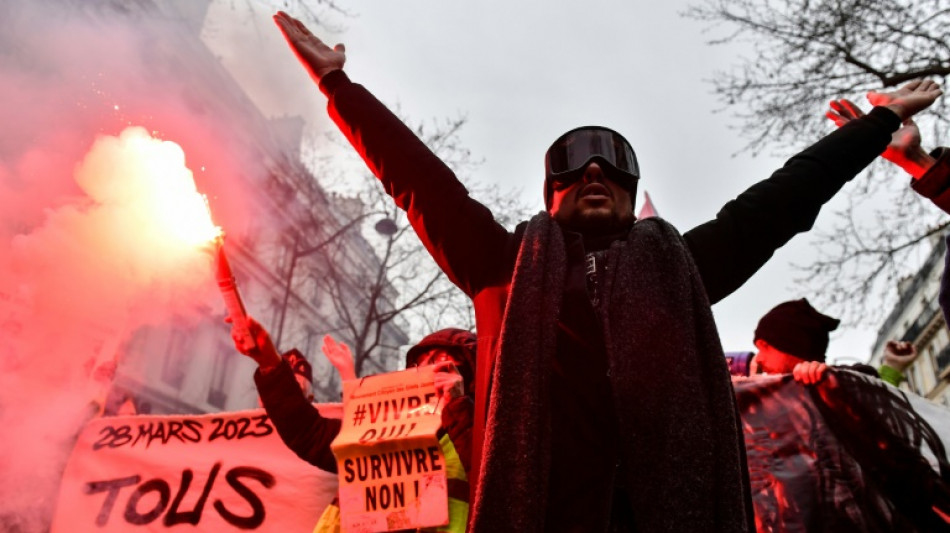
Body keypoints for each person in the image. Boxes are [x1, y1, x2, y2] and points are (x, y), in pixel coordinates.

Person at [272, 11, 942, 531]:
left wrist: (875, 125)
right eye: (573, 162)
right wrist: (338, 85)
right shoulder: (502, 268)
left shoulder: (682, 271)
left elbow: (779, 202)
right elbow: (421, 182)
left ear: (631, 188)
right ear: (550, 193)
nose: (594, 169)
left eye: (614, 161)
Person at [232, 317, 476, 533]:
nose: (432, 376)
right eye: (420, 368)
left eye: (449, 368)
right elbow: (309, 433)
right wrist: (270, 364)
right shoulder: (386, 429)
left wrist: (458, 409)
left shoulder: (482, 439)